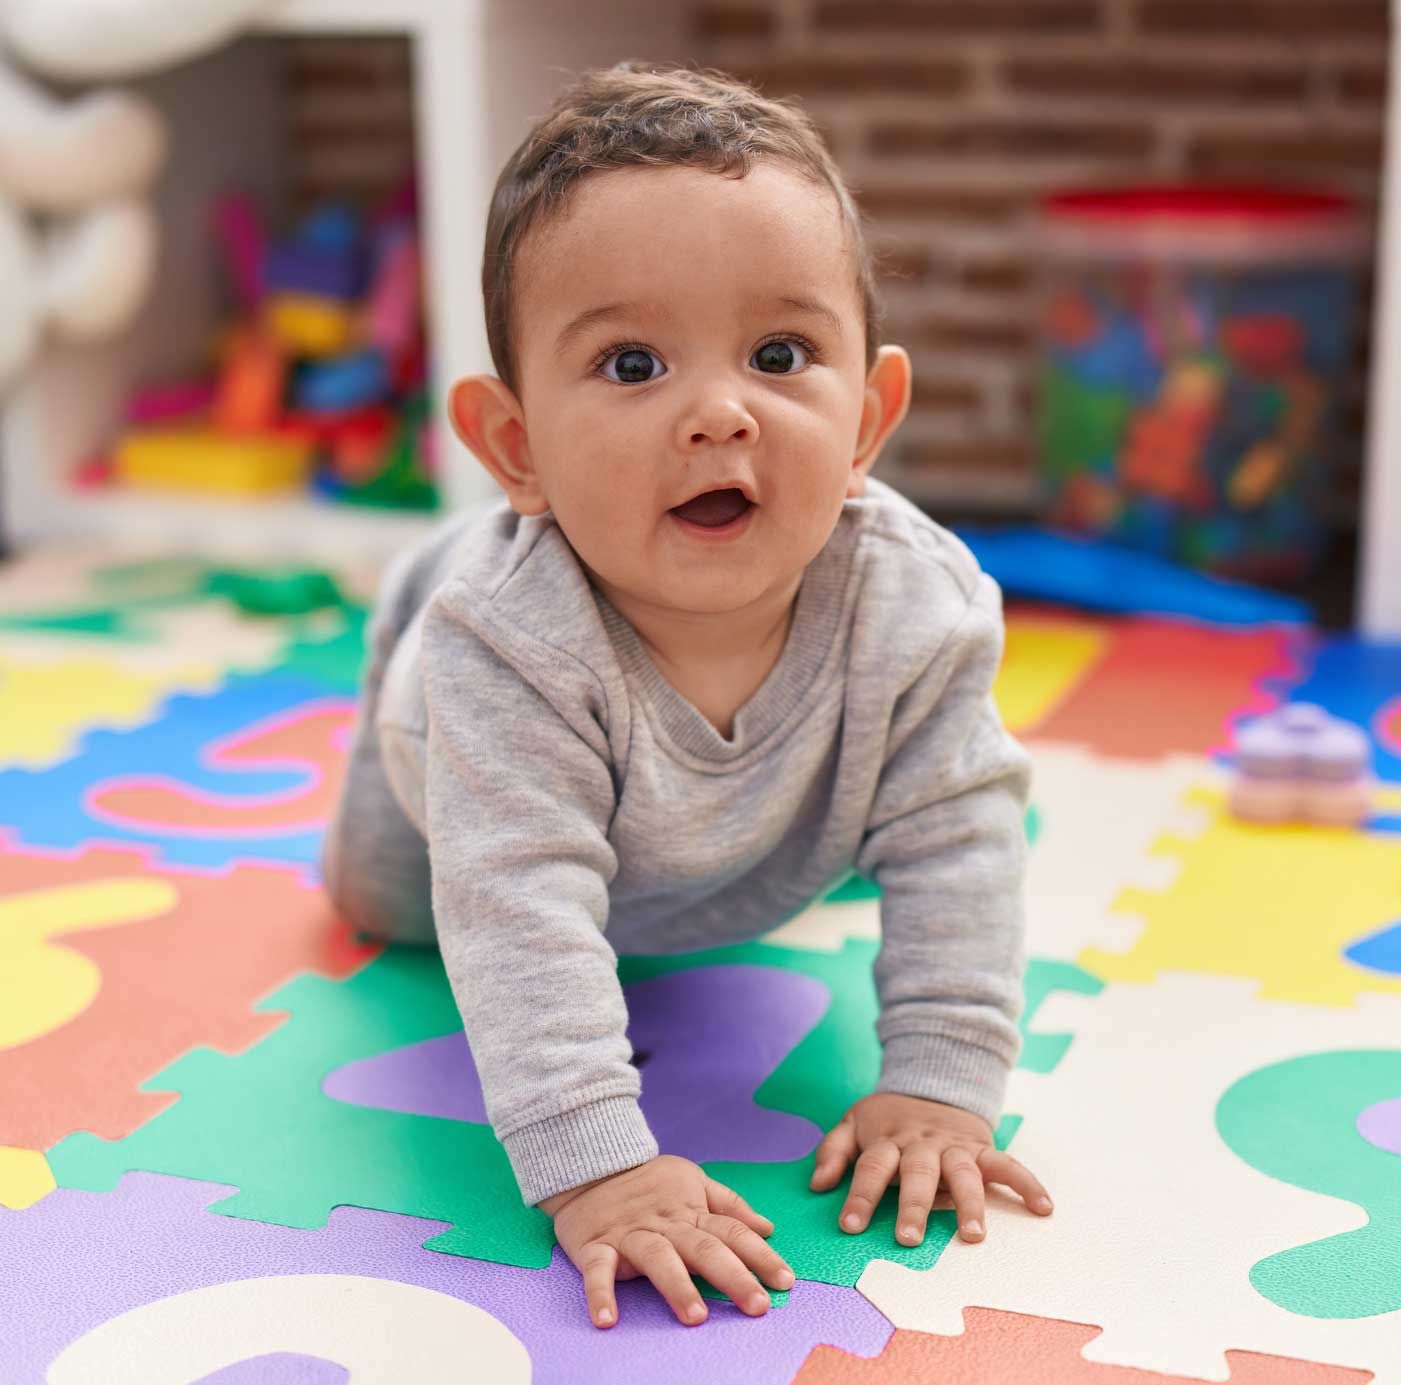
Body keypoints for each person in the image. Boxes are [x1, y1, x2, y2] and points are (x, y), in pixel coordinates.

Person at [323, 62, 1051, 1331]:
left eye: (779, 353)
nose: (719, 412)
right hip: (454, 775)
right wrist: (598, 1165)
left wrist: (942, 1081)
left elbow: (959, 841)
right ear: (518, 447)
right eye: (631, 362)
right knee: (394, 913)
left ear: (871, 413)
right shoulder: (504, 646)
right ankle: (419, 598)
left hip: (737, 839)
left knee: (894, 827)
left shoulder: (920, 608)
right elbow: (516, 906)